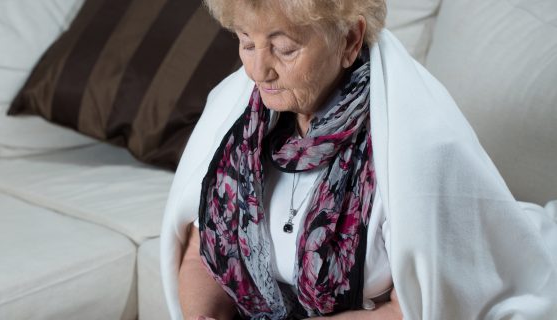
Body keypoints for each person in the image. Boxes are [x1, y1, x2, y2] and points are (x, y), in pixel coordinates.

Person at [159, 0, 557, 319]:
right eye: (247, 42)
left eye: (284, 49)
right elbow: (202, 250)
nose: (259, 70)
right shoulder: (236, 114)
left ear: (349, 40)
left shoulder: (418, 145)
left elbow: (414, 310)